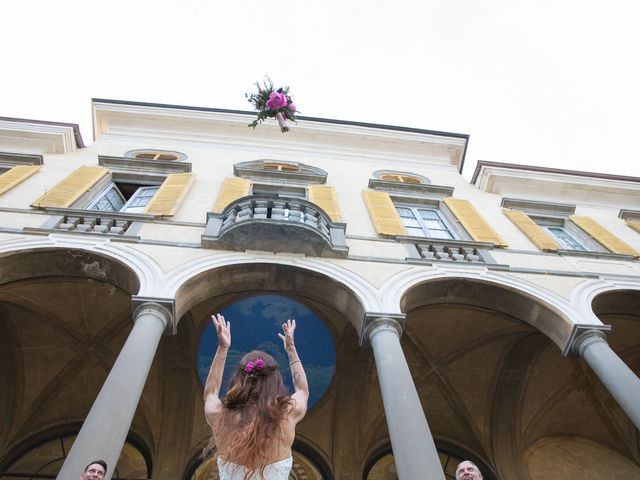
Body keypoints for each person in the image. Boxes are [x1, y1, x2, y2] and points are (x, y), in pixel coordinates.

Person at [204, 314, 309, 480]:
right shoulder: (287, 414)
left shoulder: (219, 416)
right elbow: (303, 390)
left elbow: (211, 392)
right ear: (275, 380)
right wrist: (291, 350)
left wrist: (222, 349)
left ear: (239, 378)